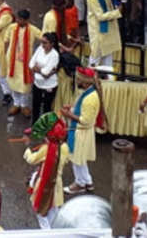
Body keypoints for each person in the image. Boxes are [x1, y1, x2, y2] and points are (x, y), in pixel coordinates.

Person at [61, 67, 105, 195]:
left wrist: (68, 115)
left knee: (76, 159)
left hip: (81, 132)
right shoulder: (88, 92)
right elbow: (82, 110)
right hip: (82, 131)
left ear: (86, 83)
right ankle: (88, 182)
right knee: (80, 159)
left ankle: (79, 184)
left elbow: (86, 120)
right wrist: (73, 108)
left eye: (79, 80)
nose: (77, 82)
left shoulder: (90, 98)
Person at [23, 112, 69, 229]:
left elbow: (32, 159)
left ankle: (47, 233)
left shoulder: (46, 149)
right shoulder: (65, 148)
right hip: (57, 184)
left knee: (41, 213)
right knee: (54, 212)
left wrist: (28, 149)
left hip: (44, 184)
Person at [3, 9, 41, 117]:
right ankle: (16, 104)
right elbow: (6, 40)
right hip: (13, 61)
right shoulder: (12, 27)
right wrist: (6, 55)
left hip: (26, 63)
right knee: (13, 83)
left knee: (25, 85)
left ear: (27, 20)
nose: (19, 21)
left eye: (22, 20)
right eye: (18, 19)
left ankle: (24, 105)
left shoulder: (32, 30)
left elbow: (43, 37)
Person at [86, 0, 122, 67]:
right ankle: (88, 80)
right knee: (95, 59)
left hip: (107, 33)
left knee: (108, 60)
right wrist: (118, 12)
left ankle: (109, 81)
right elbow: (100, 16)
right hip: (98, 32)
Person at [30, 33, 60, 120]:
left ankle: (44, 130)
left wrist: (38, 69)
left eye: (45, 43)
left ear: (52, 44)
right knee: (35, 106)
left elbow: (46, 73)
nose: (42, 45)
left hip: (49, 86)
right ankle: (34, 127)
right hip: (37, 83)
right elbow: (31, 63)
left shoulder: (54, 55)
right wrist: (41, 71)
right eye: (42, 42)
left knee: (46, 109)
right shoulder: (40, 49)